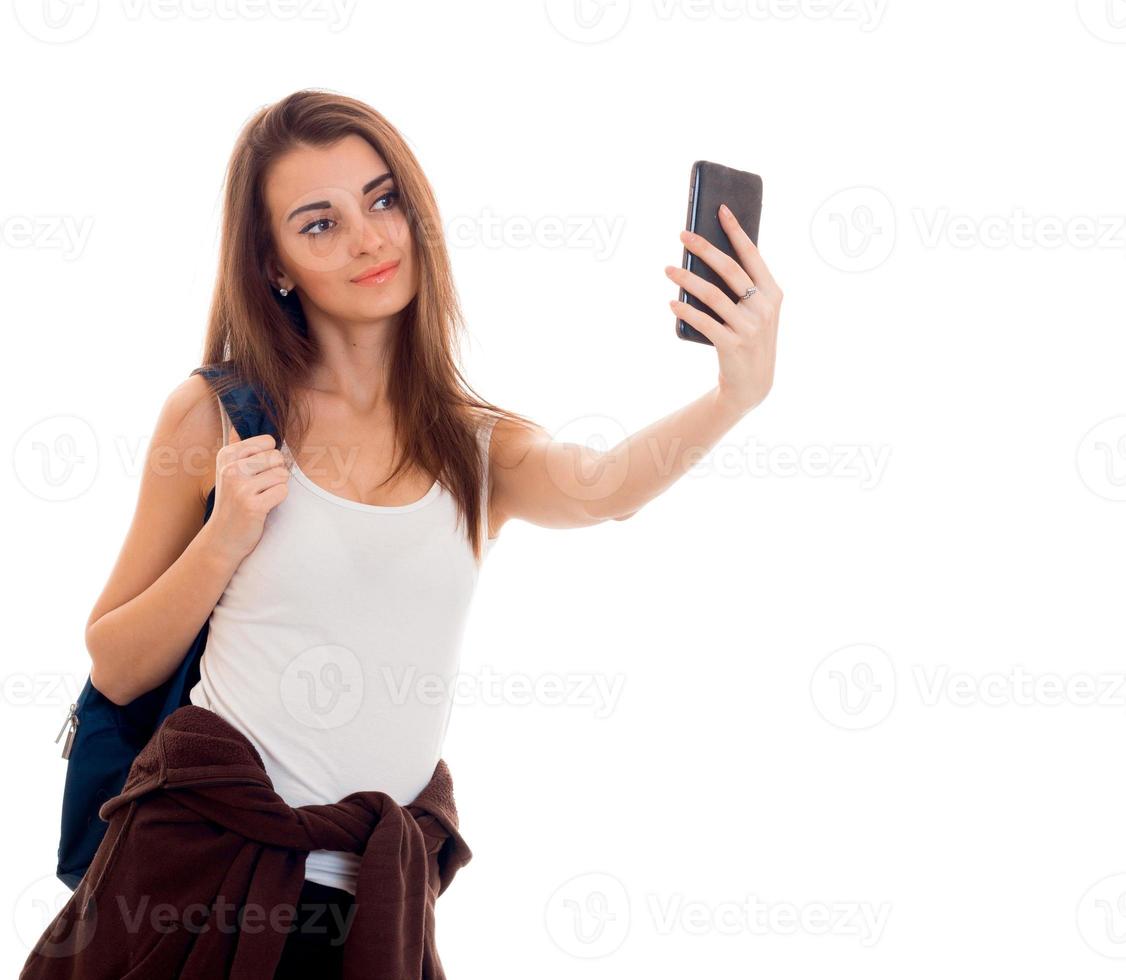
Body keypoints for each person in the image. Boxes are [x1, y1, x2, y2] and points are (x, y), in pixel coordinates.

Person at [79, 88, 782, 977]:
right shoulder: (215, 417)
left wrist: (735, 396)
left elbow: (605, 489)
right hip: (195, 883)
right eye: (320, 223)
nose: (371, 238)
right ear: (276, 267)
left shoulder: (474, 443)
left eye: (383, 200)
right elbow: (115, 662)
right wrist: (224, 539)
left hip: (374, 905)